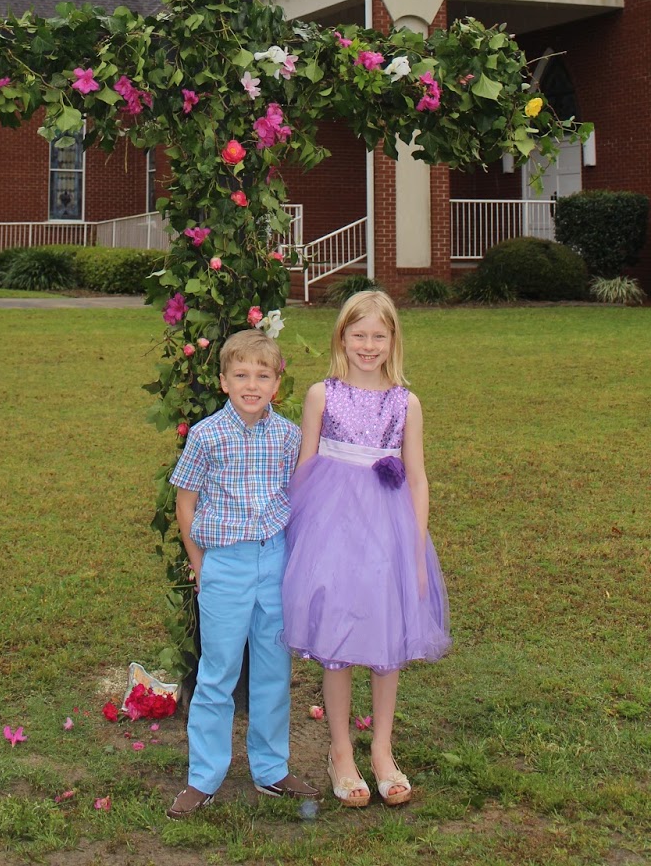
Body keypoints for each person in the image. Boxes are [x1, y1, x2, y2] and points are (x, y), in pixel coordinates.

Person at [281, 290, 450, 808]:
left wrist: (416, 550)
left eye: (379, 336)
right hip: (332, 530)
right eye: (359, 335)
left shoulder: (405, 402)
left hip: (386, 532)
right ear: (342, 337)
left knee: (385, 634)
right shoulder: (322, 395)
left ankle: (381, 749)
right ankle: (340, 751)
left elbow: (417, 478)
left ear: (393, 340)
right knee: (336, 635)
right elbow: (305, 467)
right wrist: (299, 537)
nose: (369, 345)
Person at [166, 329, 321, 818]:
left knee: (274, 669)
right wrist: (201, 564)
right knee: (218, 672)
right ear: (224, 381)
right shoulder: (206, 435)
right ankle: (204, 777)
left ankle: (271, 768)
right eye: (241, 375)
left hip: (274, 561)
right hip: (225, 565)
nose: (251, 385)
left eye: (262, 375)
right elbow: (185, 502)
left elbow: (299, 498)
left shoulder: (289, 436)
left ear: (277, 383)